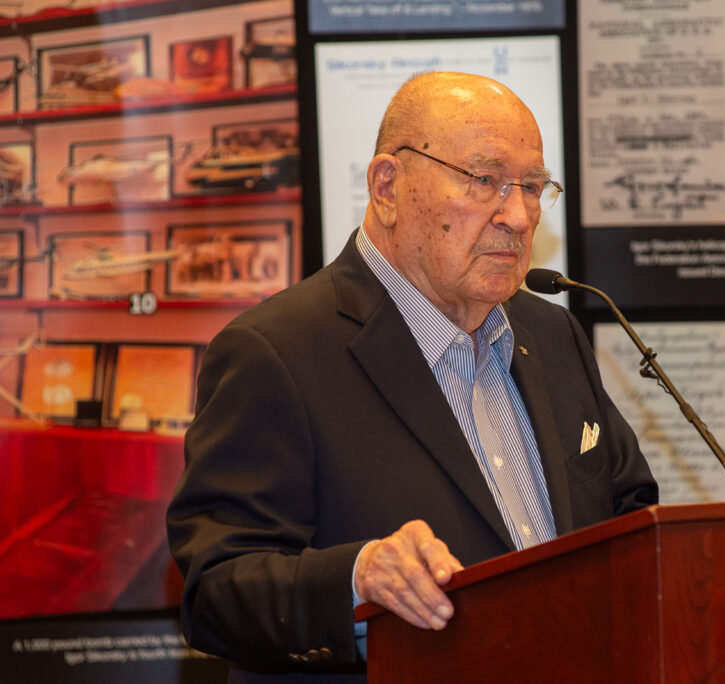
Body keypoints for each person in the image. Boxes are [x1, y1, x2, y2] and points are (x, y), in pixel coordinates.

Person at [165, 72, 658, 681]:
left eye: (532, 187)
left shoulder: (552, 335)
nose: (519, 215)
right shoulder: (275, 353)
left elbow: (629, 513)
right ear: (387, 187)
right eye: (485, 181)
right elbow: (217, 587)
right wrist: (357, 578)